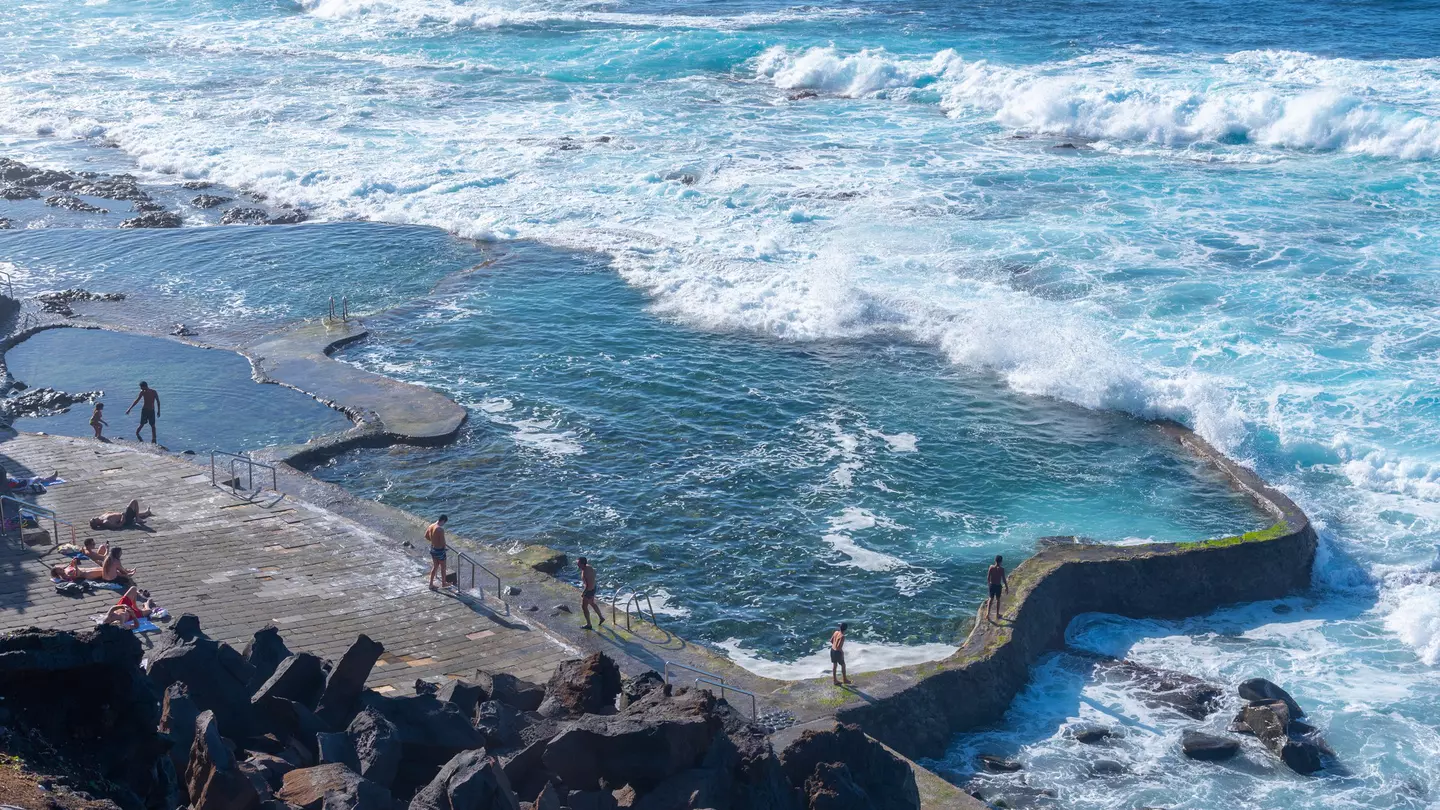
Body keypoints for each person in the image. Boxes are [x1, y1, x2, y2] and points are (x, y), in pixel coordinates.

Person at [578, 557, 604, 630]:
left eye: (579, 563)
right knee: (592, 603)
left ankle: (589, 624)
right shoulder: (589, 567)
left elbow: (587, 585)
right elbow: (594, 574)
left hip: (589, 591)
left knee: (584, 607)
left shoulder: (585, 572)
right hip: (593, 588)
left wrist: (583, 593)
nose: (577, 565)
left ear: (583, 564)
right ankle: (601, 617)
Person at [425, 515, 448, 589]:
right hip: (439, 551)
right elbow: (442, 542)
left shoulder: (431, 526)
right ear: (443, 520)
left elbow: (426, 536)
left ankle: (431, 584)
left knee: (435, 566)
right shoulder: (440, 529)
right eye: (444, 522)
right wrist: (444, 548)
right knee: (443, 567)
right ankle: (444, 583)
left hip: (433, 549)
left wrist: (434, 541)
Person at [986, 555, 1008, 620]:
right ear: (1001, 561)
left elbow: (988, 577)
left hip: (992, 585)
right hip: (998, 586)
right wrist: (1007, 587)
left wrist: (989, 585)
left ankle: (987, 614)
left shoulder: (991, 567)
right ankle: (997, 614)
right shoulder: (1002, 569)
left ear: (995, 560)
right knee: (998, 600)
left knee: (990, 599)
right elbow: (1003, 579)